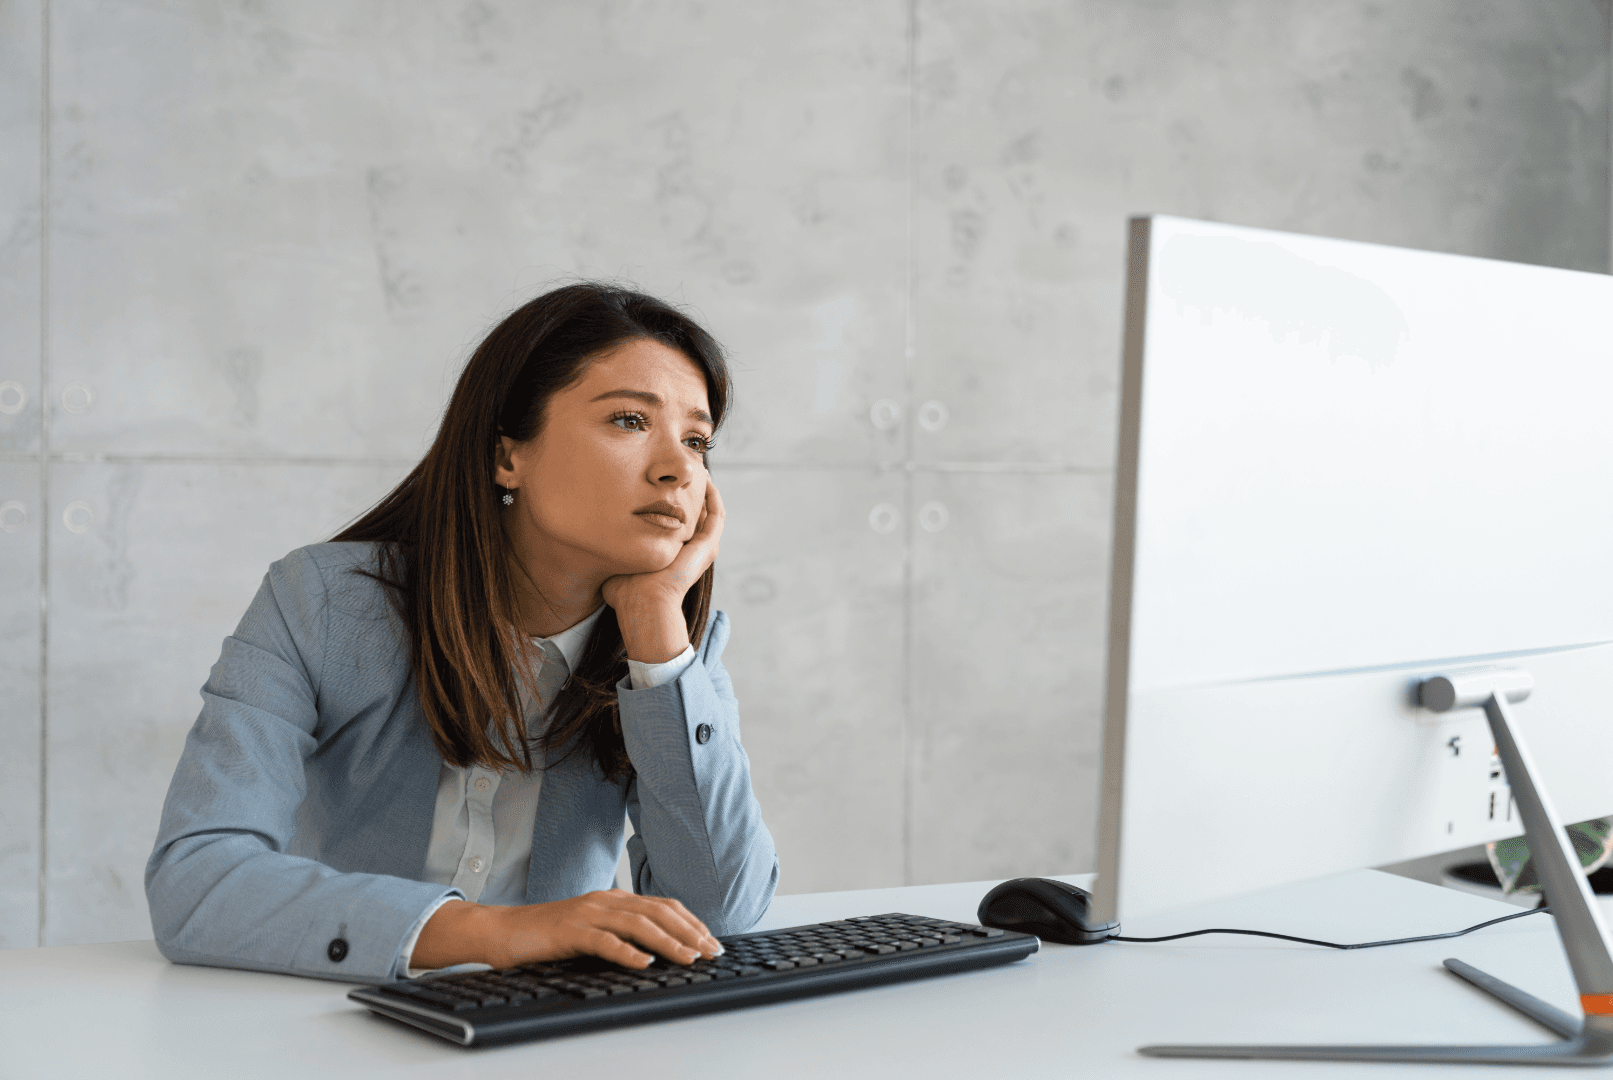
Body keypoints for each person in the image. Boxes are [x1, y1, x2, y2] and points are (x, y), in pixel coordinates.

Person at [145, 283, 778, 983]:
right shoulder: (321, 602)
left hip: (556, 1034)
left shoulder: (671, 653)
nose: (678, 468)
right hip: (328, 1013)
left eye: (696, 440)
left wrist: (656, 626)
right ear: (508, 455)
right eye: (630, 420)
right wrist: (495, 932)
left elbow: (721, 917)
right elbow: (196, 883)